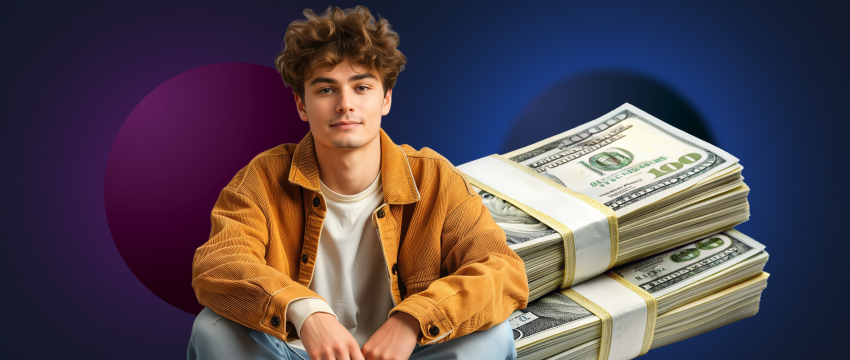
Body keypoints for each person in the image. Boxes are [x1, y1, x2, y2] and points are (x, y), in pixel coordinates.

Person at [186, 5, 528, 360]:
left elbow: (500, 270)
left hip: (406, 353)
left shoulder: (435, 177)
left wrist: (414, 319)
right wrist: (305, 311)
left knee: (492, 336)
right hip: (293, 353)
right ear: (302, 105)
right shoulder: (262, 177)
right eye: (325, 90)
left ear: (386, 99)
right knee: (214, 328)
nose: (345, 104)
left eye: (361, 86)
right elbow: (220, 262)